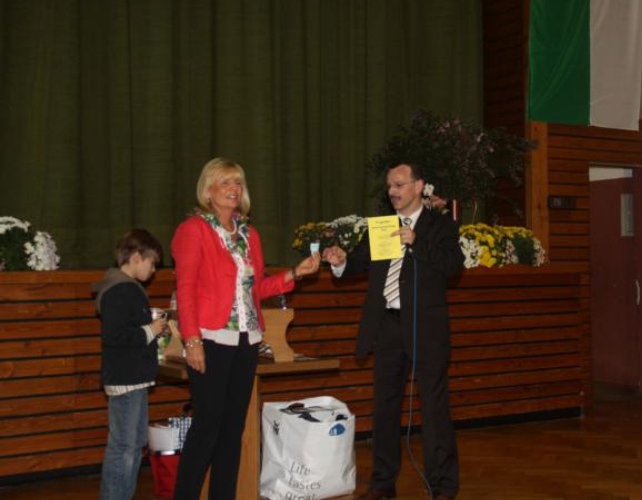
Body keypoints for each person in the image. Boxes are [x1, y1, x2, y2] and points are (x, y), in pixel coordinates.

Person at [171, 157, 320, 500]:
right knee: (207, 427)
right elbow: (186, 288)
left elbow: (258, 290)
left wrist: (295, 273)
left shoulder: (249, 234)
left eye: (237, 182)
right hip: (210, 337)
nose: (233, 189)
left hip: (246, 339)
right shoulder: (193, 230)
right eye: (225, 182)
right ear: (208, 190)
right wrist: (192, 340)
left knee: (232, 429)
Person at [322, 162, 465, 500]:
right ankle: (383, 483)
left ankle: (443, 486)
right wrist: (341, 261)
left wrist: (416, 241)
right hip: (387, 325)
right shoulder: (382, 225)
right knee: (385, 405)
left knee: (433, 407)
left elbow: (453, 267)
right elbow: (359, 262)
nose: (393, 191)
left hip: (426, 327)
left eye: (399, 184)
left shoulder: (440, 225)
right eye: (389, 186)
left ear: (419, 186)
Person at [92, 228, 167, 500]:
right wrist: (151, 330)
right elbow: (114, 336)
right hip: (126, 380)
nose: (153, 270)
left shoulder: (126, 288)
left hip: (133, 379)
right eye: (152, 263)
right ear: (136, 257)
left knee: (134, 444)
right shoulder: (120, 290)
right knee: (124, 446)